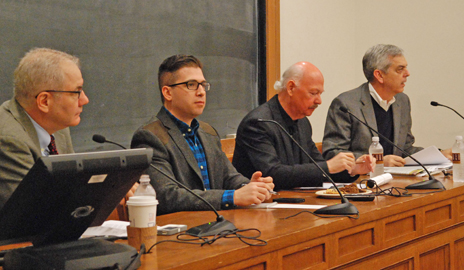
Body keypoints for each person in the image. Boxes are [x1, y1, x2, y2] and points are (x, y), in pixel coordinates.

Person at [131, 54, 274, 215]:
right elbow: (167, 196)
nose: (201, 92)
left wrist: (250, 186)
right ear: (167, 93)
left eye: (203, 85)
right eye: (191, 85)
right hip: (180, 232)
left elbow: (229, 177)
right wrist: (232, 197)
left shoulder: (208, 132)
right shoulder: (150, 137)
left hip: (216, 225)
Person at [232, 61, 375, 190]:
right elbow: (273, 174)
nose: (319, 101)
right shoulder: (258, 124)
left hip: (296, 201)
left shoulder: (302, 122)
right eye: (313, 93)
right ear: (291, 88)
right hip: (261, 207)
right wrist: (329, 166)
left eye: (320, 94)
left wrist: (353, 169)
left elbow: (318, 168)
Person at [322, 44, 451, 167]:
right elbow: (333, 153)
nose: (407, 73)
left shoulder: (402, 101)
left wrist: (439, 154)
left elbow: (405, 149)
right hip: (361, 182)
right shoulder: (346, 104)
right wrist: (378, 161)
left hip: (395, 180)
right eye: (400, 69)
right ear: (379, 75)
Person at [0, 48, 89, 209]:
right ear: (45, 102)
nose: (84, 100)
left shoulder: (57, 128)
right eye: (76, 92)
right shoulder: (9, 140)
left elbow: (69, 188)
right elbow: (30, 212)